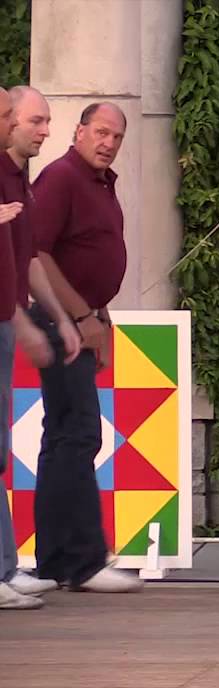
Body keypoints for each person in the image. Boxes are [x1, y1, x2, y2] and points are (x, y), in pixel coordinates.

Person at [29, 102, 145, 592]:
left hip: (82, 316)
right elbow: (37, 250)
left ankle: (58, 559)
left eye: (117, 137)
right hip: (60, 318)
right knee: (76, 434)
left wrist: (99, 312)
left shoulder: (100, 182)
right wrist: (78, 314)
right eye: (100, 133)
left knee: (64, 436)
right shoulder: (61, 178)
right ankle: (83, 560)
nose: (108, 143)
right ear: (78, 132)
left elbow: (88, 253)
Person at [0, 85, 82, 606]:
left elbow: (25, 256)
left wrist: (51, 317)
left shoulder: (16, 177)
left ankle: (6, 565)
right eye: (32, 119)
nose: (40, 129)